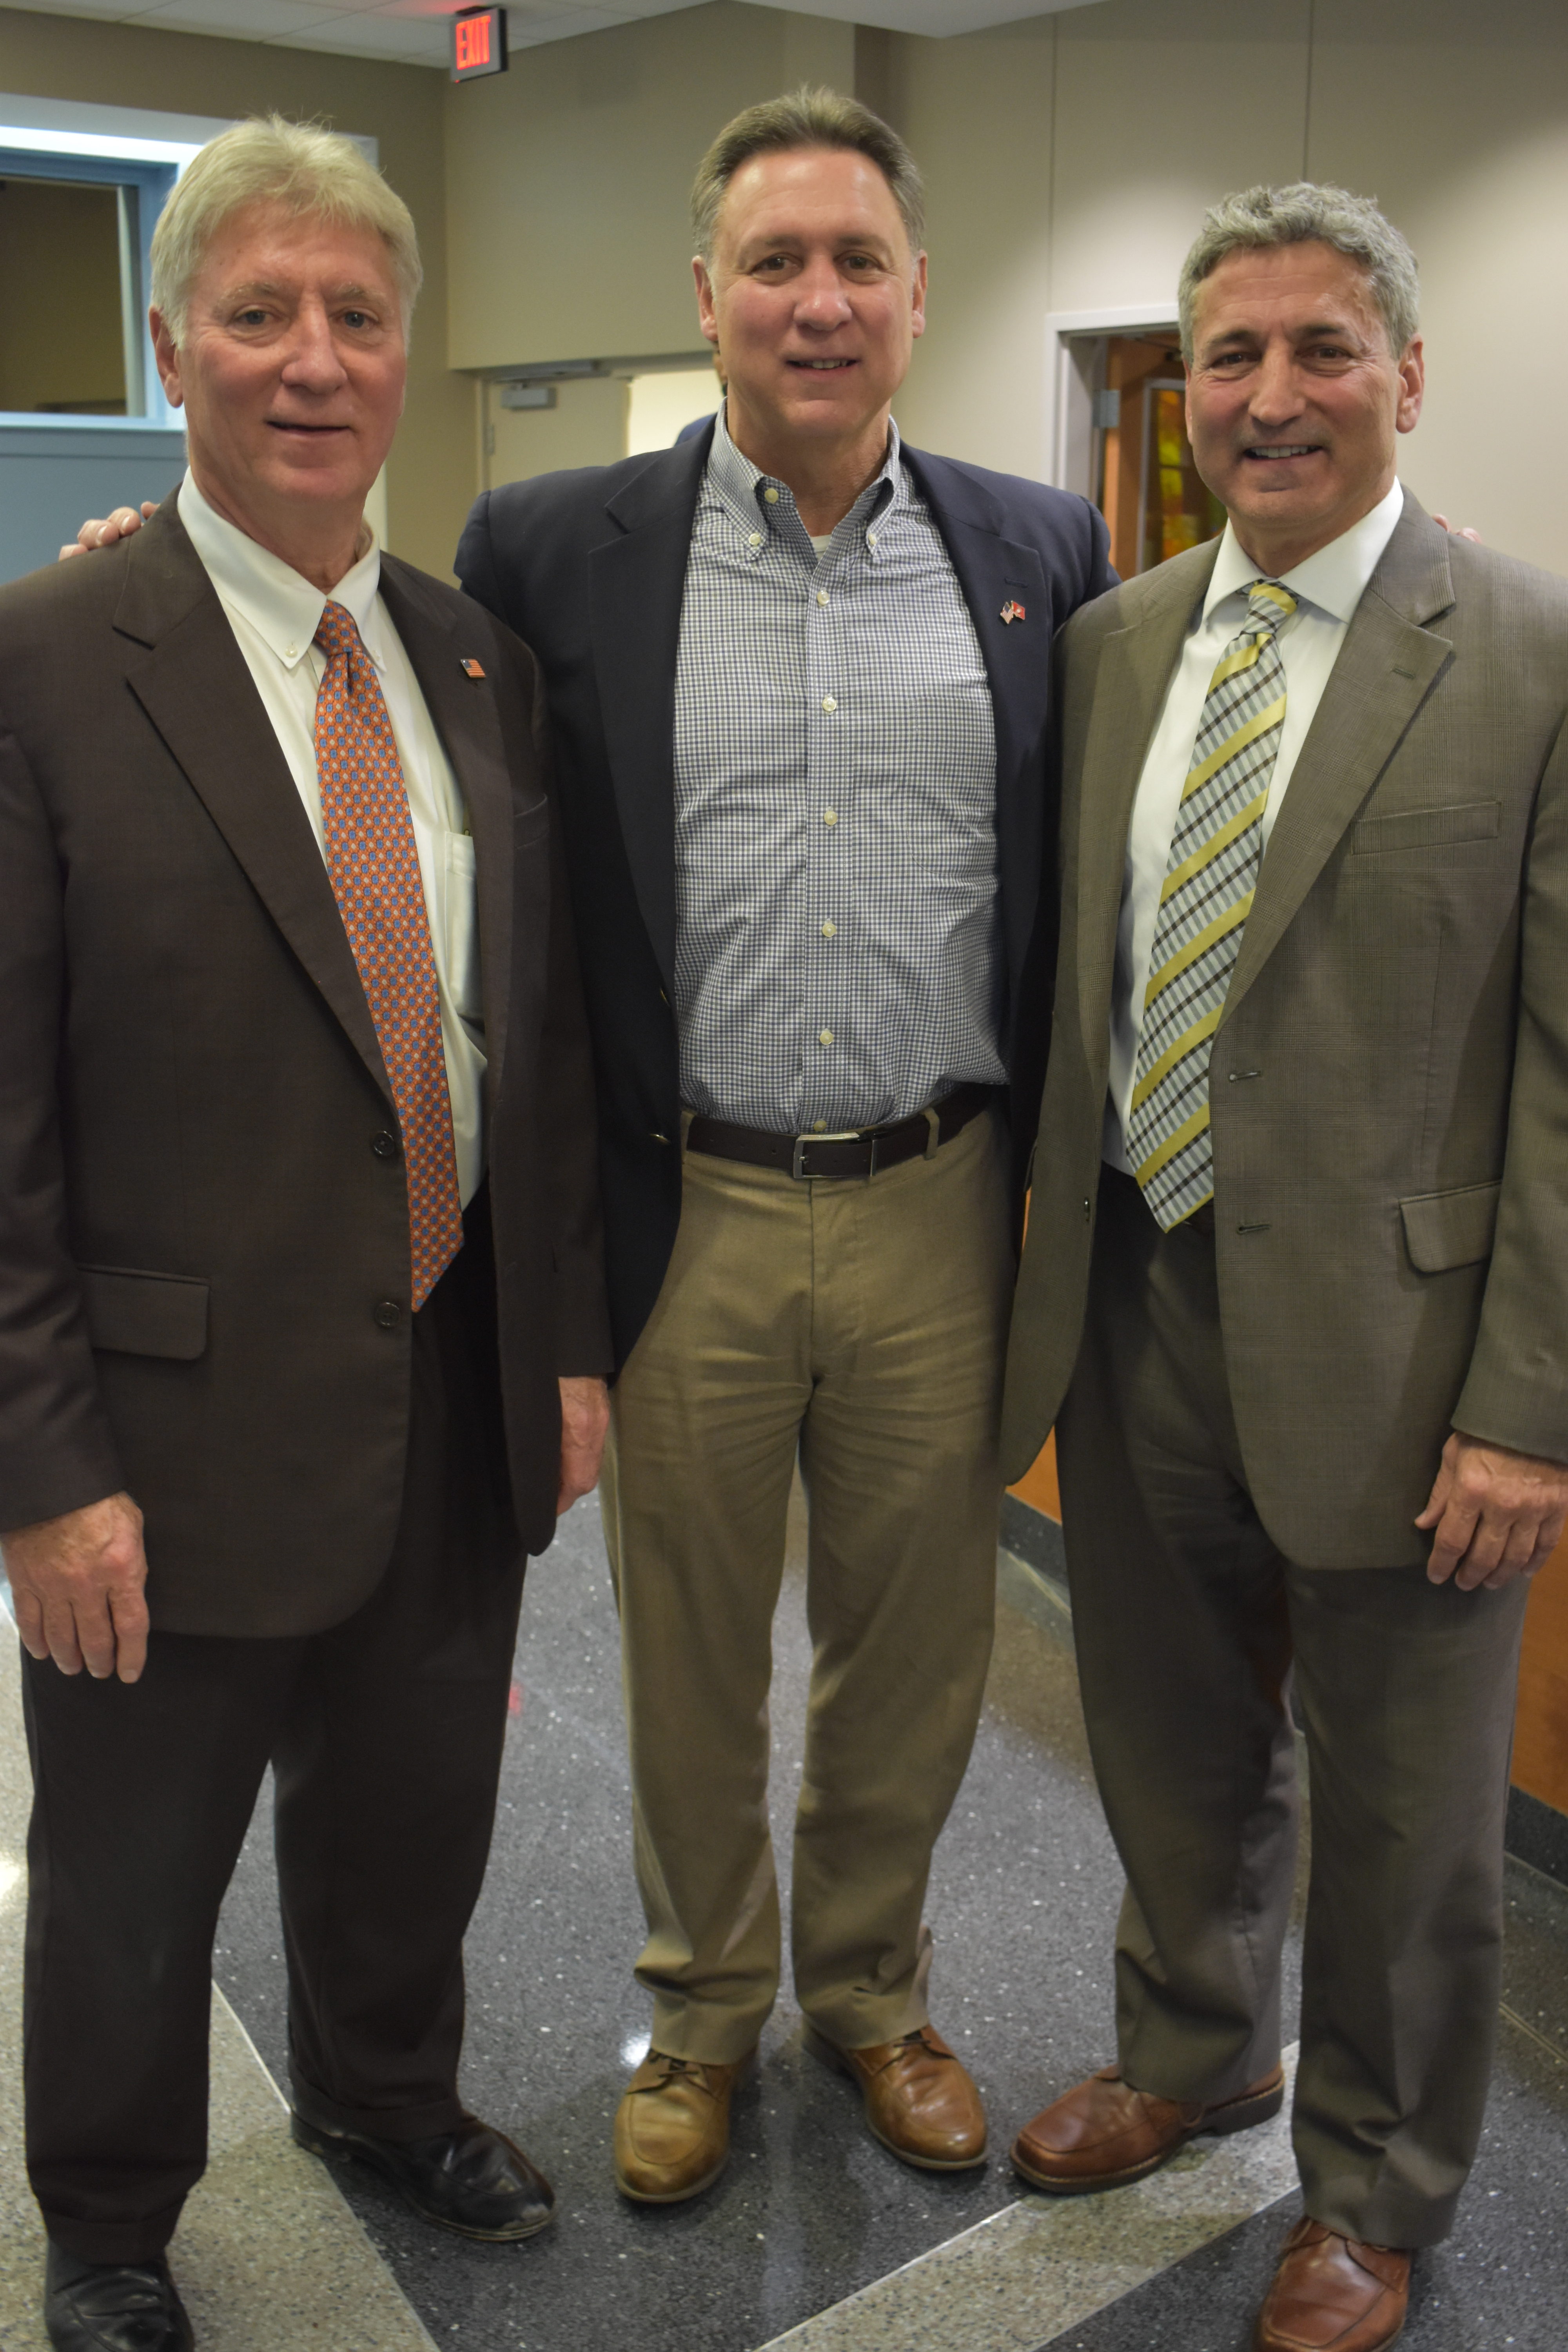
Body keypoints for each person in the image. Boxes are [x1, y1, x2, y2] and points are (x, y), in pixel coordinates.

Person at [456, 89, 1113, 2203]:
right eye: (774, 262)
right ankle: (701, 2009)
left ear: (917, 296)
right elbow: (382, 711)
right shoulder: (550, 549)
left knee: (916, 1644)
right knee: (688, 1645)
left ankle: (872, 1994)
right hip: (691, 1200)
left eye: (855, 263)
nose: (815, 301)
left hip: (942, 1197)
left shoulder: (1039, 553)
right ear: (707, 293)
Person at [2, 117, 610, 2352]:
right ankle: (108, 2223)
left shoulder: (474, 662)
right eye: (258, 313)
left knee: (415, 1815)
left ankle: (386, 2095)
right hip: (160, 1432)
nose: (313, 358)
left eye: (357, 313)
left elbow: (527, 1037)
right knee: (133, 1879)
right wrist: (43, 1470)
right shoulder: (48, 659)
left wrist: (563, 1347)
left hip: (449, 1377)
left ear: (407, 351)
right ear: (174, 350)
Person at [1000, 181, 1568, 2352]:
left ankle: (1379, 2182)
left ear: (1407, 374)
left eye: (1323, 348)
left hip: (1416, 1362)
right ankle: (1194, 2046)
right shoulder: (1119, 643)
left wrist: (1530, 1407)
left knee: (1412, 1820)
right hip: (1140, 1303)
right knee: (1166, 1736)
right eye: (1229, 354)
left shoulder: (1530, 652)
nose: (1271, 395)